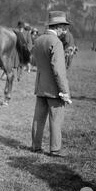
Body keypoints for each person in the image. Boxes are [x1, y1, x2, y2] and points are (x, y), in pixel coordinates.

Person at [31, 11, 71, 158]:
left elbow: (33, 62)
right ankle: (55, 149)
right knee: (55, 119)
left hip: (40, 86)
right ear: (58, 26)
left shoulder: (38, 40)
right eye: (64, 27)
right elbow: (59, 70)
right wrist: (64, 91)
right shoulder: (56, 43)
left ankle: (36, 146)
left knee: (38, 118)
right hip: (54, 90)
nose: (65, 31)